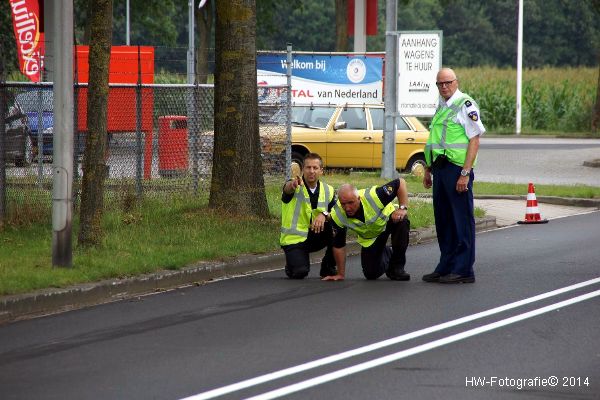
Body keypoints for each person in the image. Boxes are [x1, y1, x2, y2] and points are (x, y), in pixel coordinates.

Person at [422, 67, 485, 284]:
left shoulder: (465, 104)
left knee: (461, 220)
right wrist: (428, 170)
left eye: (448, 82)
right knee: (444, 220)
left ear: (456, 82)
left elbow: (474, 140)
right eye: (440, 84)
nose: (444, 87)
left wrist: (465, 174)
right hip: (440, 169)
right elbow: (436, 140)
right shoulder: (442, 106)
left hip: (458, 170)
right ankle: (446, 265)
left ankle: (463, 269)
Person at [322, 179, 410, 281]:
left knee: (402, 220)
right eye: (343, 204)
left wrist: (402, 208)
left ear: (359, 198)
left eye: (351, 203)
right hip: (371, 238)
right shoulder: (337, 215)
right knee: (371, 274)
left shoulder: (374, 196)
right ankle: (386, 253)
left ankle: (397, 268)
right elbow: (338, 246)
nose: (347, 208)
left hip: (388, 222)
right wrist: (341, 274)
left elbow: (400, 182)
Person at [280, 153, 337, 279]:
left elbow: (338, 212)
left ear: (321, 171)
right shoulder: (294, 185)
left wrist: (324, 214)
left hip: (315, 235)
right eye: (308, 167)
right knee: (300, 272)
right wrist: (292, 185)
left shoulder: (329, 190)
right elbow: (287, 189)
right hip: (294, 239)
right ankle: (292, 265)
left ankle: (328, 267)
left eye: (315, 168)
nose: (311, 171)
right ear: (302, 169)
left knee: (339, 227)